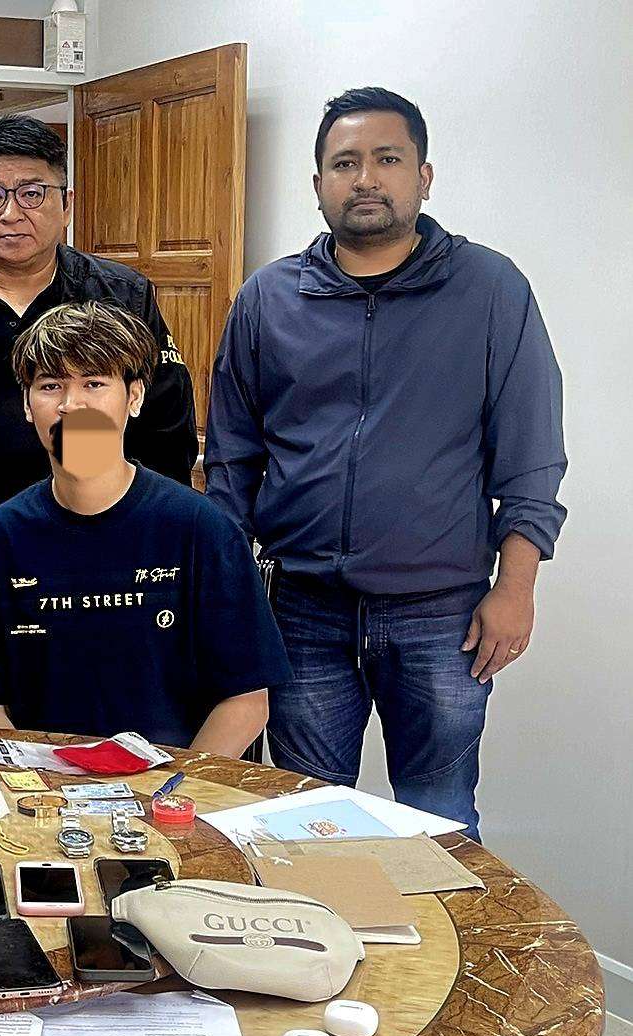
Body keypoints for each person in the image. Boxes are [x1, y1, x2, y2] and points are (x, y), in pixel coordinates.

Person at [204, 88, 567, 839]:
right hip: (301, 608)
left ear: (423, 177)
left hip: (443, 614)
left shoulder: (490, 290)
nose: (365, 178)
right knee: (302, 821)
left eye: (387, 159)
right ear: (318, 185)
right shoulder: (268, 299)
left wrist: (516, 587)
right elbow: (232, 462)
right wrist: (227, 596)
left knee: (438, 822)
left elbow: (531, 457)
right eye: (345, 163)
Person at [0, 115, 198, 724]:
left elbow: (165, 430)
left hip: (100, 549)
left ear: (66, 204)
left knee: (92, 707)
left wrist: (161, 540)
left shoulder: (120, 296)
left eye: (32, 193)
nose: (11, 213)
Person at [0, 302, 289, 753]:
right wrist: (37, 783)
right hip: (43, 786)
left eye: (93, 383)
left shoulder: (201, 530)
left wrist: (175, 785)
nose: (71, 405)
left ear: (135, 397)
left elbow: (246, 700)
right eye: (50, 386)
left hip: (173, 784)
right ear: (27, 405)